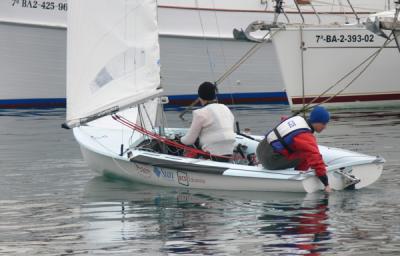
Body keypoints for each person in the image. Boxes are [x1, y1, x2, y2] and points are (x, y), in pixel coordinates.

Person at [256, 106, 332, 192]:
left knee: (301, 148)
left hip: (261, 149)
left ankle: (300, 170)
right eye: (324, 124)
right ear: (317, 122)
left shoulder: (297, 119)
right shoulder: (305, 136)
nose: (325, 127)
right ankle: (299, 176)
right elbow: (315, 158)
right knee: (307, 155)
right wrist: (326, 184)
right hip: (269, 160)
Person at [180, 82, 235, 162]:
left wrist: (179, 139)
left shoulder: (200, 113)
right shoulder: (226, 108)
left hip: (212, 154)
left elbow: (189, 141)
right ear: (214, 95)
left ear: (200, 97)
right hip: (229, 151)